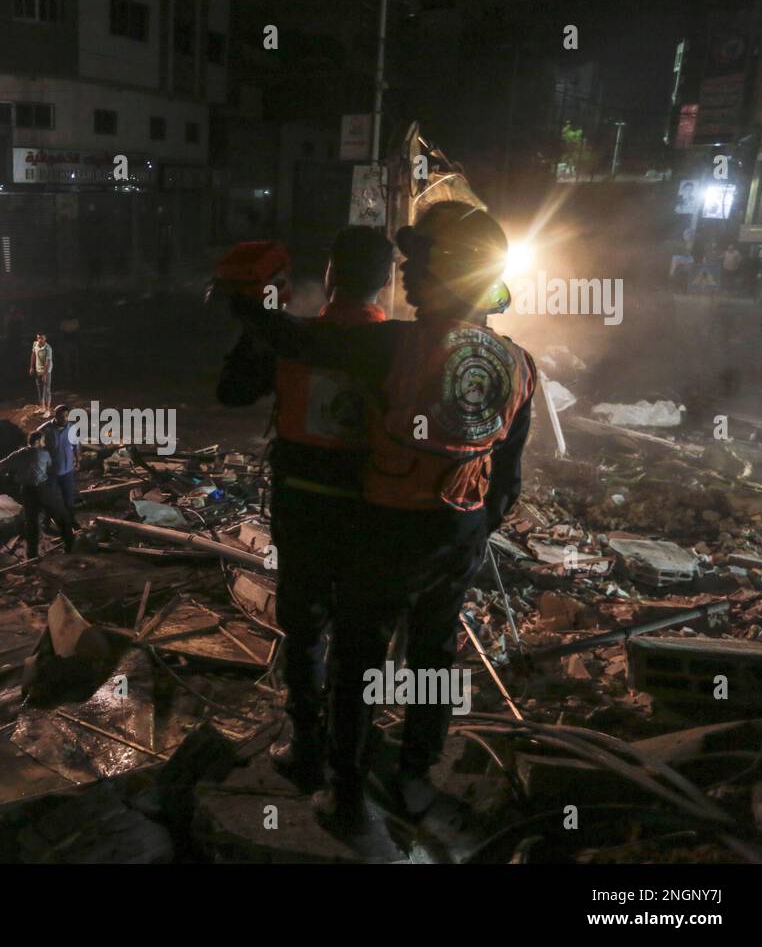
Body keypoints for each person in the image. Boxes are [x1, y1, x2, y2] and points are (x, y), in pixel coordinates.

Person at [223, 201, 535, 838]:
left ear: (449, 273)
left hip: (393, 530)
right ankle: (416, 776)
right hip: (463, 530)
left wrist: (247, 295)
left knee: (359, 660)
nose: (408, 277)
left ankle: (343, 793)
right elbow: (509, 479)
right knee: (432, 654)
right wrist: (469, 526)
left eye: (419, 265)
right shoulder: (519, 362)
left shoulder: (398, 343)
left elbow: (292, 339)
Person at [217, 226, 395, 793]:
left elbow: (232, 392)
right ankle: (356, 747)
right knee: (362, 634)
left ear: (329, 277)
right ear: (388, 282)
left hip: (303, 507)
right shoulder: (402, 347)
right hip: (375, 511)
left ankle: (309, 745)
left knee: (304, 627)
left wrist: (258, 317)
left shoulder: (293, 340)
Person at [0, 430, 74, 557]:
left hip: (27, 491)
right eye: (42, 440)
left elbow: (1, 464)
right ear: (37, 441)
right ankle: (70, 544)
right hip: (43, 489)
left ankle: (32, 554)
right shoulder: (44, 454)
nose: (44, 443)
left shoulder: (18, 454)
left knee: (31, 522)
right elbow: (49, 466)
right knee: (59, 514)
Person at [37, 403, 79, 529]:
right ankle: (47, 522)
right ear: (55, 416)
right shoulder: (44, 430)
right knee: (50, 498)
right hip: (51, 472)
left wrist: (78, 461)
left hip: (68, 470)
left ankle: (71, 520)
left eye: (66, 416)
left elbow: (76, 446)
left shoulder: (72, 428)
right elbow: (35, 446)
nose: (64, 419)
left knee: (69, 498)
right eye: (61, 416)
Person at [29, 333, 53, 413]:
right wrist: (32, 367)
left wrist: (45, 374)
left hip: (46, 370)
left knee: (46, 390)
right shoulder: (35, 344)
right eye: (38, 338)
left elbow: (47, 362)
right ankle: (42, 408)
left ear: (45, 338)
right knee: (40, 389)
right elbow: (33, 355)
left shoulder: (48, 348)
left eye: (42, 338)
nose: (40, 340)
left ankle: (48, 410)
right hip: (38, 370)